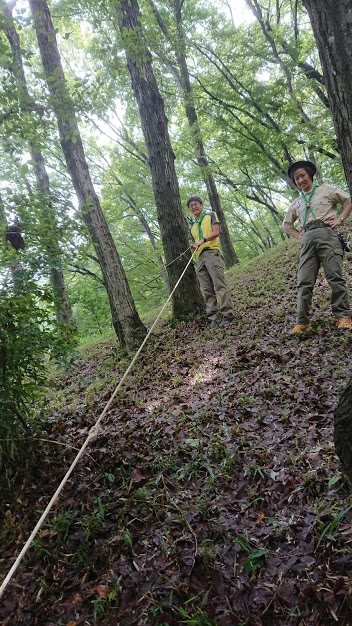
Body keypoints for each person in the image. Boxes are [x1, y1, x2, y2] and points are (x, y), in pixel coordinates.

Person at [282, 160, 352, 335]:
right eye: (296, 179)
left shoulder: (326, 190)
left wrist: (340, 219)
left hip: (327, 234)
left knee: (334, 277)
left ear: (310, 175)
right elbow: (286, 225)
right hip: (307, 241)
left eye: (302, 176)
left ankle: (343, 316)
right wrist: (299, 236)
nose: (300, 180)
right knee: (304, 282)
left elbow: (348, 201)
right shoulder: (297, 202)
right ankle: (302, 322)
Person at [188, 196, 234, 327]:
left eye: (196, 204)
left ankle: (228, 314)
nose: (194, 207)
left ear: (201, 205)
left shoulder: (210, 215)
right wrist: (195, 245)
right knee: (206, 289)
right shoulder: (193, 228)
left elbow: (216, 232)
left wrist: (203, 240)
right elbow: (198, 241)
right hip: (199, 257)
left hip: (211, 252)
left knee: (219, 284)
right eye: (191, 206)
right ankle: (213, 317)